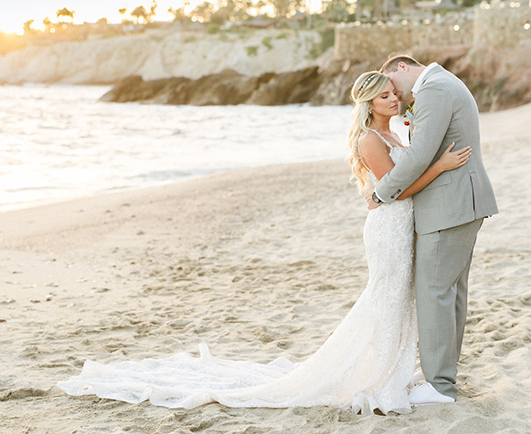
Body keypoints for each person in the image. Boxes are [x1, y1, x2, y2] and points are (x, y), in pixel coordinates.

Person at [57, 72, 470, 415]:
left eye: (393, 93)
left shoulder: (394, 133)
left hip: (400, 227)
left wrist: (417, 139)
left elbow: (396, 177)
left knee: (400, 300)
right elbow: (395, 190)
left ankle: (390, 370)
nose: (394, 99)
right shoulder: (369, 140)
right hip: (388, 230)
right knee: (386, 297)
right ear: (369, 103)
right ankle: (373, 374)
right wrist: (441, 167)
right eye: (384, 96)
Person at [367, 55, 498, 405]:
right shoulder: (443, 84)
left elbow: (422, 153)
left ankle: (440, 385)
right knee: (450, 292)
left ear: (403, 68)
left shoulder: (435, 89)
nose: (397, 95)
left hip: (449, 205)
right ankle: (441, 375)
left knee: (434, 292)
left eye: (394, 85)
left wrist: (382, 192)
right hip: (458, 202)